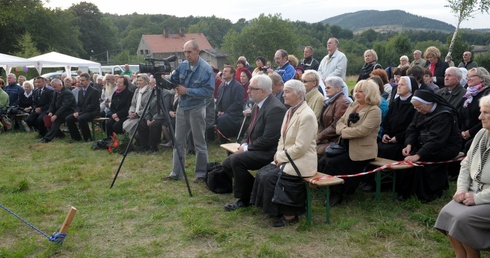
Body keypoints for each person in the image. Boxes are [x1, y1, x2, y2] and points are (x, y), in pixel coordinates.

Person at [250, 79, 317, 227]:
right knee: (263, 173)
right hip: (288, 157)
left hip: (302, 160)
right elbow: (282, 138)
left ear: (299, 94)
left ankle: (290, 215)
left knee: (274, 177)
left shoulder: (307, 116)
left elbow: (301, 147)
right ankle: (274, 210)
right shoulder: (289, 111)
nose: (283, 95)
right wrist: (278, 154)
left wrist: (280, 156)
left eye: (287, 91)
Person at [434, 94, 490, 257]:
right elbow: (466, 164)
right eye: (481, 111)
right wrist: (461, 189)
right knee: (447, 213)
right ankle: (461, 255)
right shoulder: (481, 134)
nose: (480, 117)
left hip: (485, 197)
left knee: (462, 220)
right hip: (472, 191)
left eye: (486, 113)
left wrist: (478, 198)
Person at [223, 74, 287, 211]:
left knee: (236, 160)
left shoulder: (276, 109)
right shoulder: (258, 105)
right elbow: (249, 130)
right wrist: (244, 144)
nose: (248, 91)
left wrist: (247, 148)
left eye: (251, 88)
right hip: (257, 148)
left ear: (263, 91)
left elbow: (269, 140)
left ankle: (244, 199)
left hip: (269, 152)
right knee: (227, 163)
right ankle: (254, 190)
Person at [318, 79, 382, 205]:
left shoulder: (374, 110)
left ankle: (338, 194)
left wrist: (343, 131)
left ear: (370, 93)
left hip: (361, 151)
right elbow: (339, 123)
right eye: (356, 91)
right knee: (324, 160)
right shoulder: (353, 105)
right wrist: (343, 129)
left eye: (361, 91)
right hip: (344, 146)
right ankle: (328, 189)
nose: (357, 94)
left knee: (334, 163)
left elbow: (362, 131)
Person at [398, 90, 462, 202]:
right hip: (425, 143)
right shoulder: (420, 111)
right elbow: (412, 129)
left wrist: (418, 155)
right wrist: (409, 144)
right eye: (416, 108)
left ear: (429, 103)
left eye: (419, 107)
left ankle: (429, 193)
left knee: (423, 158)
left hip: (446, 146)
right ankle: (408, 191)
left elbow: (437, 140)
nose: (418, 110)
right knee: (410, 156)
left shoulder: (444, 115)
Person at [165, 40, 215, 182]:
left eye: (189, 52)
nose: (186, 55)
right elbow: (173, 80)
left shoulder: (206, 69)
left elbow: (208, 91)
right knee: (178, 141)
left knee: (199, 142)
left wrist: (187, 91)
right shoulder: (183, 66)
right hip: (182, 107)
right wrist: (162, 79)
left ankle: (200, 174)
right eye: (185, 52)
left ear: (197, 51)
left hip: (197, 108)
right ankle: (176, 173)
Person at [378, 76, 419, 161]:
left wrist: (398, 138)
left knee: (389, 150)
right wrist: (385, 134)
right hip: (390, 139)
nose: (398, 86)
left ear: (410, 88)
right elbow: (387, 121)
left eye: (402, 85)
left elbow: (413, 127)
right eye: (398, 84)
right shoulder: (395, 102)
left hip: (404, 141)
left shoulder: (414, 105)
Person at [316, 76, 350, 155]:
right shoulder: (330, 101)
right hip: (326, 139)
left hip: (335, 141)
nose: (325, 89)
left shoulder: (342, 103)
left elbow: (336, 125)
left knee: (311, 152)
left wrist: (319, 136)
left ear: (338, 89)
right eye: (325, 87)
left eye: (328, 88)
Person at [459, 67, 490, 154]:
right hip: (464, 135)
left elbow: (486, 117)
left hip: (482, 133)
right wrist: (462, 132)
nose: (468, 79)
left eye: (472, 76)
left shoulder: (487, 93)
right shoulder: (467, 95)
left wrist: (470, 132)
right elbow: (461, 115)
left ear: (482, 78)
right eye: (467, 77)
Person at [65, 73, 100, 142]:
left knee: (81, 118)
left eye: (83, 80)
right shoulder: (80, 91)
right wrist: (76, 112)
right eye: (80, 80)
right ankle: (76, 138)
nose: (81, 82)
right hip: (82, 112)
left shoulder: (94, 91)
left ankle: (88, 138)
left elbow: (92, 106)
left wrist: (80, 113)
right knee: (68, 118)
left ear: (88, 81)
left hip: (92, 112)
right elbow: (78, 105)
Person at [39, 79, 76, 143]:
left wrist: (56, 115)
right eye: (53, 87)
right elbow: (52, 104)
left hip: (68, 111)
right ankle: (60, 135)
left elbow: (64, 106)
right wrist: (50, 112)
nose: (53, 89)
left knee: (56, 120)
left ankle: (47, 138)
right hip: (60, 111)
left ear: (60, 85)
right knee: (48, 119)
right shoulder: (56, 92)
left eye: (55, 87)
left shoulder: (67, 93)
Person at [215, 65, 245, 141]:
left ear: (232, 74)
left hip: (234, 114)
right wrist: (218, 111)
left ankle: (224, 139)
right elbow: (219, 100)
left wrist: (225, 112)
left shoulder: (237, 86)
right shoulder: (222, 86)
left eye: (226, 71)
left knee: (223, 119)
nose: (223, 73)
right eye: (223, 71)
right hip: (222, 112)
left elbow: (238, 103)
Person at [122, 73, 151, 137]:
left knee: (133, 125)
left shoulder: (149, 91)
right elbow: (133, 104)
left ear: (146, 81)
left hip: (143, 115)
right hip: (134, 114)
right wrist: (131, 112)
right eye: (138, 80)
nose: (138, 82)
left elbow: (147, 107)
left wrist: (137, 114)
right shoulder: (137, 90)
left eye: (140, 80)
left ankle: (139, 141)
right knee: (125, 123)